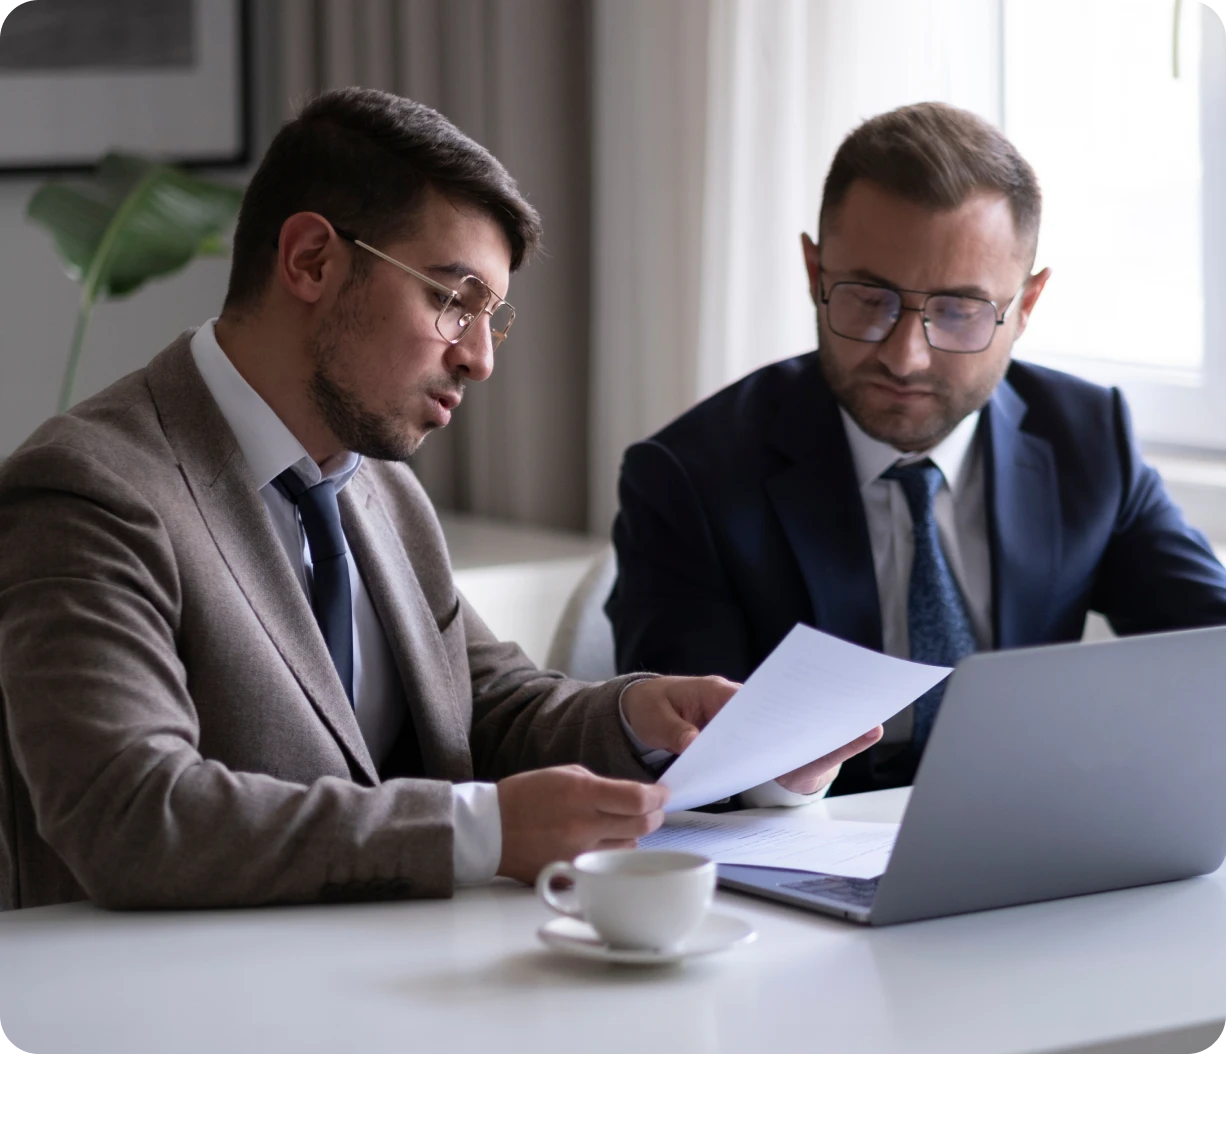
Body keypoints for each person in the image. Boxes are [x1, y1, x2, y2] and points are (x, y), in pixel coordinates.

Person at [0, 88, 878, 911]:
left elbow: (487, 708)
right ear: (310, 260)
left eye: (491, 317)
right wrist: (478, 831)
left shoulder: (380, 488)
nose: (480, 358)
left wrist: (650, 721)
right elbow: (130, 811)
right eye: (454, 301)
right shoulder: (89, 489)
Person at [608, 101, 1226, 796]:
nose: (905, 358)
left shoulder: (1087, 438)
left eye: (959, 311)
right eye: (869, 298)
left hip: (1034, 832)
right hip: (802, 844)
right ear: (814, 272)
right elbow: (686, 766)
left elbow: (1213, 647)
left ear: (1026, 306)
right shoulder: (688, 477)